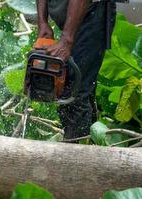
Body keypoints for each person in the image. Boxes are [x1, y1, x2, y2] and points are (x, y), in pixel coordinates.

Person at [35, 0, 116, 139]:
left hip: (93, 14)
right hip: (72, 19)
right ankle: (89, 144)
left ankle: (76, 151)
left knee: (74, 91)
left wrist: (67, 40)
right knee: (76, 89)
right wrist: (42, 22)